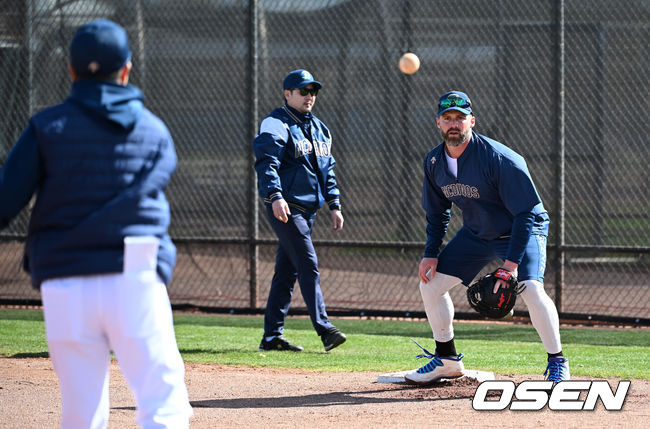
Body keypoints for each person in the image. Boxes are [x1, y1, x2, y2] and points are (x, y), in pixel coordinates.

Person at [0, 19, 192, 427]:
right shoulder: (154, 130)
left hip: (65, 281)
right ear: (126, 69)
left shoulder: (47, 126)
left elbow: (4, 201)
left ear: (71, 70)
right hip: (135, 276)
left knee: (82, 409)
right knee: (163, 401)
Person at [404, 90, 569, 385]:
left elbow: (525, 214)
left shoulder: (499, 159)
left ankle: (557, 362)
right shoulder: (433, 163)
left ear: (472, 121)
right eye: (447, 118)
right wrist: (431, 252)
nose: (454, 123)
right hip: (478, 232)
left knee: (530, 288)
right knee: (430, 283)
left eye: (460, 117)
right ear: (438, 123)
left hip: (523, 229)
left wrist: (511, 265)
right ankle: (446, 360)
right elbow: (437, 213)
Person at [253, 69, 346, 352]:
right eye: (303, 91)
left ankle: (271, 338)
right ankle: (325, 328)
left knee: (287, 271)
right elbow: (266, 161)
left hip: (308, 210)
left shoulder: (320, 128)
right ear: (287, 94)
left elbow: (326, 170)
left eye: (313, 91)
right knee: (308, 263)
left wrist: (334, 204)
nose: (309, 96)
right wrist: (275, 195)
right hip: (285, 206)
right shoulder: (276, 122)